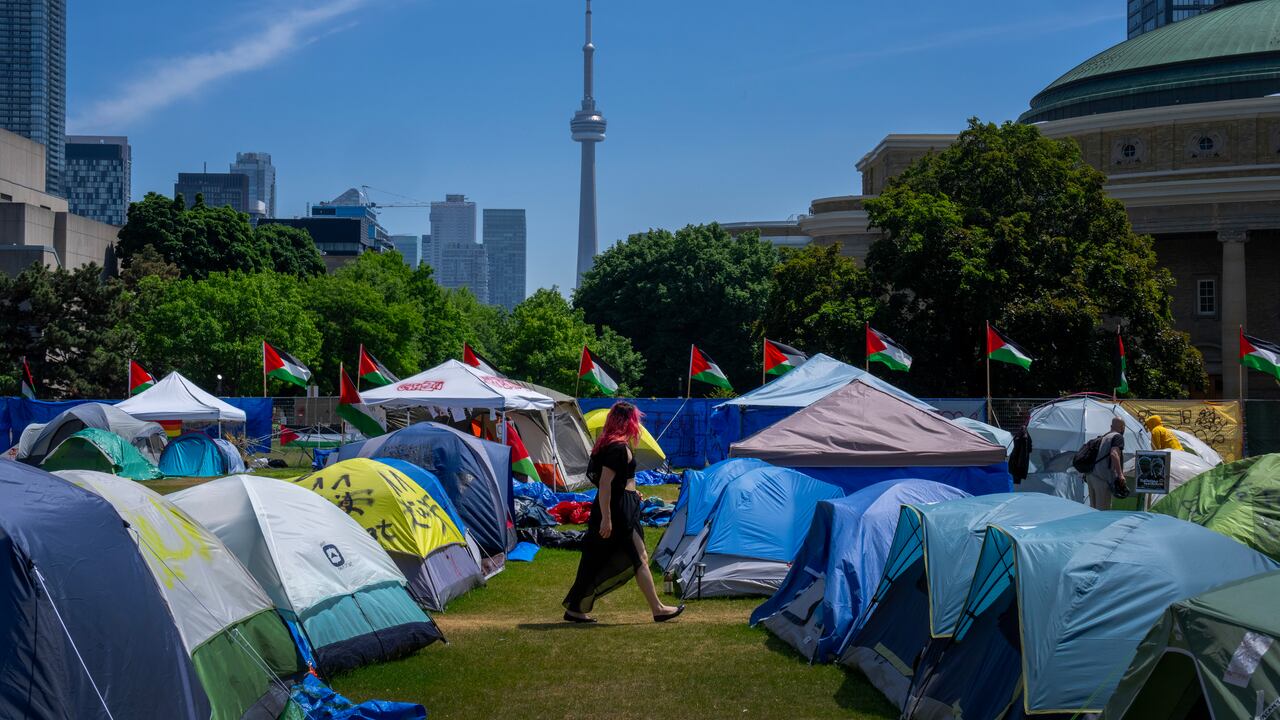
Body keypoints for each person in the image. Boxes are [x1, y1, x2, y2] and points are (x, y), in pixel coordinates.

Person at [563, 401, 684, 624]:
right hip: (617, 511)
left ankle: (575, 608)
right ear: (628, 421)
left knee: (605, 557)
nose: (637, 424)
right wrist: (607, 519)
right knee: (638, 557)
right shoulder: (617, 447)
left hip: (622, 504)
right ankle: (657, 608)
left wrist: (632, 492)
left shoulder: (610, 445)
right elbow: (605, 484)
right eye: (635, 420)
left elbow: (615, 481)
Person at [1085, 417, 1130, 510]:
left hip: (1091, 476)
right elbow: (1114, 454)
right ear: (1123, 427)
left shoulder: (1103, 437)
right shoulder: (1118, 437)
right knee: (1103, 511)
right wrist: (1120, 475)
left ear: (1111, 426)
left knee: (1093, 509)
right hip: (1102, 478)